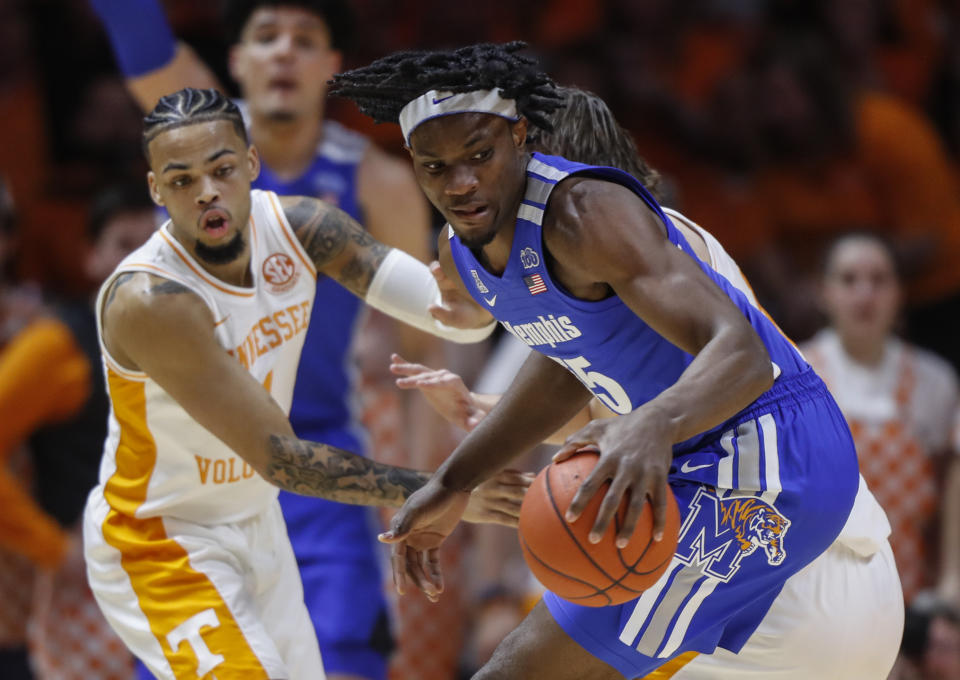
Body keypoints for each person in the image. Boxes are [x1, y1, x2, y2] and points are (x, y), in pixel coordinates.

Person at [329, 42, 902, 678]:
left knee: (519, 670)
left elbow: (744, 355)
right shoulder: (471, 245)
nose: (462, 182)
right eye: (437, 167)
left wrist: (649, 423)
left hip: (766, 450)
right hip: (715, 479)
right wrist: (451, 482)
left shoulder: (585, 215)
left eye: (481, 157)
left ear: (525, 141)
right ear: (413, 162)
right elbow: (566, 361)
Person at [81, 87, 525, 680]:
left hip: (256, 522)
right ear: (157, 190)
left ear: (252, 165)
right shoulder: (150, 300)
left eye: (222, 169)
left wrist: (481, 285)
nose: (207, 191)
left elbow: (454, 319)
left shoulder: (306, 226)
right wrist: (442, 489)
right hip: (164, 537)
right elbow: (282, 460)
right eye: (182, 180)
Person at [0, 183, 157, 680]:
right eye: (123, 246)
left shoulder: (200, 339)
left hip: (180, 567)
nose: (141, 261)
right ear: (92, 258)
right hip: (94, 586)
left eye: (155, 246)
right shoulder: (58, 345)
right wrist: (52, 548)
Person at [800, 233, 960, 605]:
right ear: (824, 292)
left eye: (879, 279)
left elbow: (950, 494)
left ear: (899, 293)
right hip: (819, 594)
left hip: (912, 596)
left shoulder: (935, 381)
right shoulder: (799, 372)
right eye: (849, 279)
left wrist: (949, 588)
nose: (865, 293)